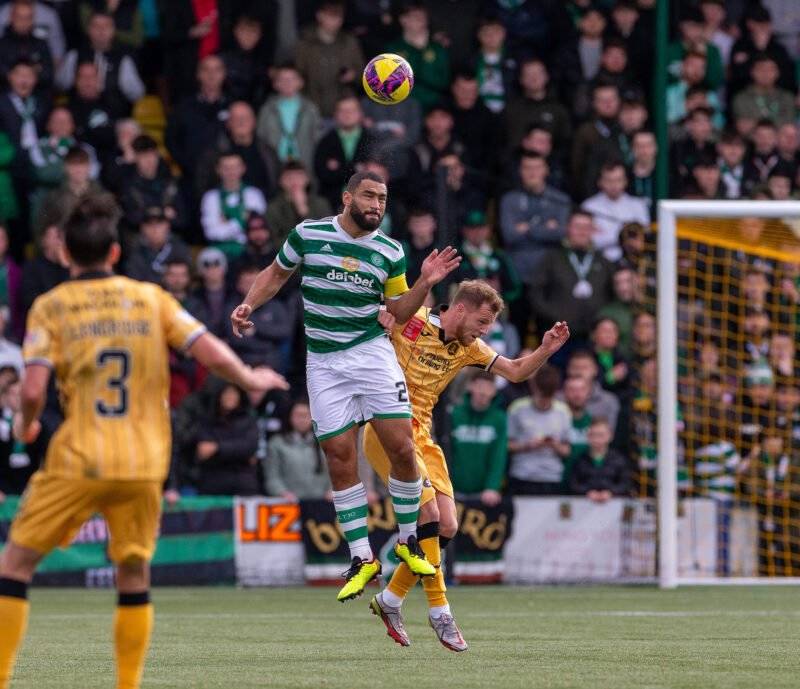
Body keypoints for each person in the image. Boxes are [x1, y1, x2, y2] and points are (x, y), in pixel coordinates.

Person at [0, 193, 288, 689]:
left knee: (16, 565)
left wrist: (27, 423)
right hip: (143, 461)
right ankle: (128, 685)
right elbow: (209, 352)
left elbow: (32, 388)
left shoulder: (51, 306)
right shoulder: (150, 299)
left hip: (80, 457)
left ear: (65, 254)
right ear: (115, 254)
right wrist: (248, 377)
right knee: (133, 575)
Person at [230, 170, 461, 602]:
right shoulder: (308, 234)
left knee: (402, 446)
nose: (377, 205)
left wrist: (426, 283)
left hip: (372, 354)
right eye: (370, 196)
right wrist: (248, 303)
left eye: (383, 199)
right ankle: (362, 557)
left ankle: (410, 541)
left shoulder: (390, 250)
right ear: (347, 197)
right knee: (338, 456)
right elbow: (276, 274)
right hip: (324, 362)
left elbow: (400, 310)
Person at [362, 280, 569, 650]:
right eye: (483, 320)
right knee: (427, 515)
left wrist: (545, 350)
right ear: (460, 309)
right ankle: (440, 611)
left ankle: (390, 600)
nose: (485, 330)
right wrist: (381, 319)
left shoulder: (469, 347)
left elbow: (517, 372)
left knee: (447, 524)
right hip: (386, 429)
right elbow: (372, 323)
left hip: (422, 435)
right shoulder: (410, 321)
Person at [507, 364, 572, 496]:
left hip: (552, 477)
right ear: (533, 387)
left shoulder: (563, 411)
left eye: (549, 398)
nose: (544, 402)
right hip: (522, 476)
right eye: (542, 397)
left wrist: (555, 445)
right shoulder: (517, 408)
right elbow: (507, 445)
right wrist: (527, 445)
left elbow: (567, 450)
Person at [450, 371, 507, 503]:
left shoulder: (499, 419)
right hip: (452, 490)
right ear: (470, 387)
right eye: (480, 386)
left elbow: (499, 455)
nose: (483, 392)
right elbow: (446, 452)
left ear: (494, 391)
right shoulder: (454, 414)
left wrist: (492, 487)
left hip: (484, 494)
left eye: (489, 387)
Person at [581, 162, 650, 262]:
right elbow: (590, 241)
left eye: (618, 180)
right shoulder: (588, 206)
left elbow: (643, 238)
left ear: (625, 181)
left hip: (633, 261)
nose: (614, 185)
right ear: (600, 182)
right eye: (609, 180)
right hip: (600, 261)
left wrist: (607, 236)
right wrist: (625, 237)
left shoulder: (638, 205)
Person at [264, 398, 331, 500]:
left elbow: (335, 469)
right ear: (290, 417)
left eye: (305, 415)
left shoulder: (324, 441)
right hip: (289, 504)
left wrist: (332, 490)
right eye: (298, 415)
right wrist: (282, 493)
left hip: (323, 502)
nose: (302, 420)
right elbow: (272, 477)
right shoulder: (277, 443)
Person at [568, 416, 631, 500]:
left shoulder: (619, 460)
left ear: (610, 436)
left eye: (601, 435)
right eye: (593, 435)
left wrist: (611, 492)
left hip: (614, 507)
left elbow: (625, 484)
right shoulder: (580, 460)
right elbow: (573, 484)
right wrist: (587, 492)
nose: (597, 439)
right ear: (588, 436)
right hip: (584, 507)